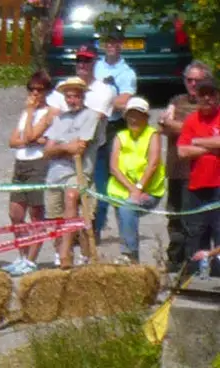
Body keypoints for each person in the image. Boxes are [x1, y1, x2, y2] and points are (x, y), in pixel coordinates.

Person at [90, 28, 140, 242]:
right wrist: (111, 98)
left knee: (115, 178)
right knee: (95, 178)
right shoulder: (96, 65)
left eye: (116, 41)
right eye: (108, 40)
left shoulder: (127, 72)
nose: (111, 44)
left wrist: (100, 99)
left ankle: (126, 231)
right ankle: (95, 228)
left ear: (121, 43)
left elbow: (124, 101)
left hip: (113, 127)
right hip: (93, 125)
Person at [45, 76, 101, 269]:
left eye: (76, 96)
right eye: (68, 96)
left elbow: (80, 148)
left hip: (78, 171)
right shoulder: (59, 118)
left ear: (83, 96)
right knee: (55, 217)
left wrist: (62, 147)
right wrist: (66, 147)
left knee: (72, 197)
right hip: (55, 174)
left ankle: (66, 253)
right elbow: (47, 150)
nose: (72, 100)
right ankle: (62, 252)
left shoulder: (91, 116)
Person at [160, 63, 213, 267]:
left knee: (198, 221)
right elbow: (164, 126)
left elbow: (208, 133)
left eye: (197, 80)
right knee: (175, 218)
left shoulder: (209, 103)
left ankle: (197, 263)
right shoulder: (177, 101)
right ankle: (175, 261)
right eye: (189, 80)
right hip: (176, 168)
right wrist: (191, 131)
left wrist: (180, 128)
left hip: (201, 170)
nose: (192, 84)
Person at [5, 72, 54, 274]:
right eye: (31, 89)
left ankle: (32, 260)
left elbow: (31, 135)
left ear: (46, 91)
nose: (35, 93)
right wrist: (31, 136)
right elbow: (14, 141)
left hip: (38, 163)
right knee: (15, 213)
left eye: (39, 89)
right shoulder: (26, 113)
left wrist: (32, 114)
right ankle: (21, 256)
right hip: (21, 162)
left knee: (36, 214)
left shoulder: (49, 112)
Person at [109, 95, 165, 263]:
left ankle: (129, 253)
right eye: (130, 115)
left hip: (149, 190)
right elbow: (114, 167)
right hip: (121, 190)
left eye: (138, 115)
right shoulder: (120, 136)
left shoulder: (152, 134)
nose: (134, 119)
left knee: (128, 209)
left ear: (146, 117)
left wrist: (139, 188)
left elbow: (153, 163)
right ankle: (133, 266)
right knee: (125, 224)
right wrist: (132, 189)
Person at [175, 82, 220, 273]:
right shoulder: (192, 120)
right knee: (194, 234)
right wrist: (213, 147)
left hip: (218, 185)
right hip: (196, 186)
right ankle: (192, 278)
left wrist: (197, 141)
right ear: (198, 98)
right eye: (203, 95)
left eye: (211, 94)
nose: (207, 99)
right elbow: (182, 152)